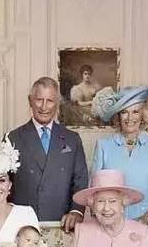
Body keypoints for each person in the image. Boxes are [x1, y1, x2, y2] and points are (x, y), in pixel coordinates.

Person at [91, 84, 148, 247]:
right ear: (118, 116)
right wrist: (105, 217)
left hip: (147, 222)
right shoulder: (104, 145)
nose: (130, 118)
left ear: (143, 114)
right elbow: (94, 188)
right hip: (112, 224)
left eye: (135, 111)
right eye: (124, 112)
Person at [7, 76, 88, 232]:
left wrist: (76, 211)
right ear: (30, 101)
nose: (44, 107)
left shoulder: (72, 139)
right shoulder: (12, 138)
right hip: (22, 226)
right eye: (39, 100)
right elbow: (4, 185)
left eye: (50, 101)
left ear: (57, 103)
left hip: (62, 226)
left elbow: (80, 180)